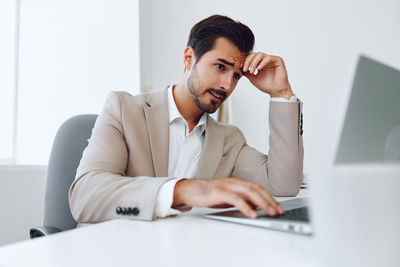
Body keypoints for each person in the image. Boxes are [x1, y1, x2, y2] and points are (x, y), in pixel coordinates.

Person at [69, 15, 304, 223]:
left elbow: (284, 185)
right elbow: (85, 195)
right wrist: (185, 190)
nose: (227, 85)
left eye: (236, 76)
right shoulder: (123, 109)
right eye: (220, 67)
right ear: (189, 58)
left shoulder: (230, 140)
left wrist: (281, 94)